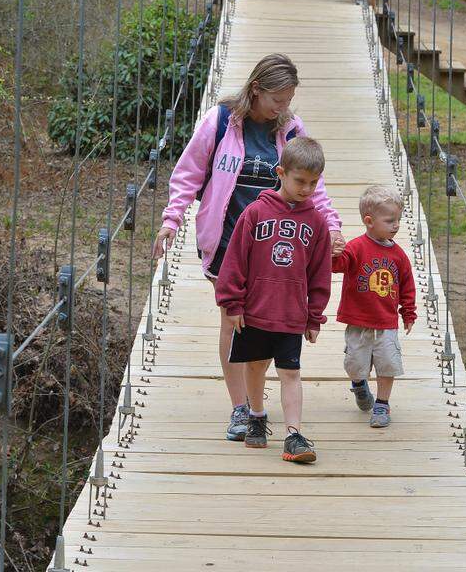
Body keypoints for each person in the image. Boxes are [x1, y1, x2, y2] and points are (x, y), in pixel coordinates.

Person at [153, 54, 345, 441]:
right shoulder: (220, 122)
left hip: (278, 242)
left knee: (261, 322)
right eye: (278, 99)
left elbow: (313, 185)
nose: (283, 107)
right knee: (234, 319)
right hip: (227, 238)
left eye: (289, 99)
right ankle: (241, 408)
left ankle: (257, 399)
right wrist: (171, 219)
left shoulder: (290, 128)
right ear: (256, 89)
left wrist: (333, 226)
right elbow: (189, 172)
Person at [214, 137, 332, 463]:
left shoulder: (317, 223)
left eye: (313, 183)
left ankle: (294, 435)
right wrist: (232, 303)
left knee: (290, 372)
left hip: (291, 314)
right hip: (255, 311)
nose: (306, 189)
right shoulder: (254, 213)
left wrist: (315, 315)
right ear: (280, 172)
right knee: (255, 366)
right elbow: (234, 261)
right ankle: (256, 414)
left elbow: (321, 273)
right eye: (300, 181)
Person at [332, 184, 416, 429]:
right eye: (390, 220)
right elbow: (337, 266)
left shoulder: (399, 256)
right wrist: (333, 253)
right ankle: (359, 385)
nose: (396, 225)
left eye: (398, 220)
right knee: (355, 366)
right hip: (358, 321)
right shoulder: (356, 247)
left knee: (387, 364)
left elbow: (407, 287)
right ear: (369, 221)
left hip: (386, 323)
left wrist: (408, 312)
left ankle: (382, 403)